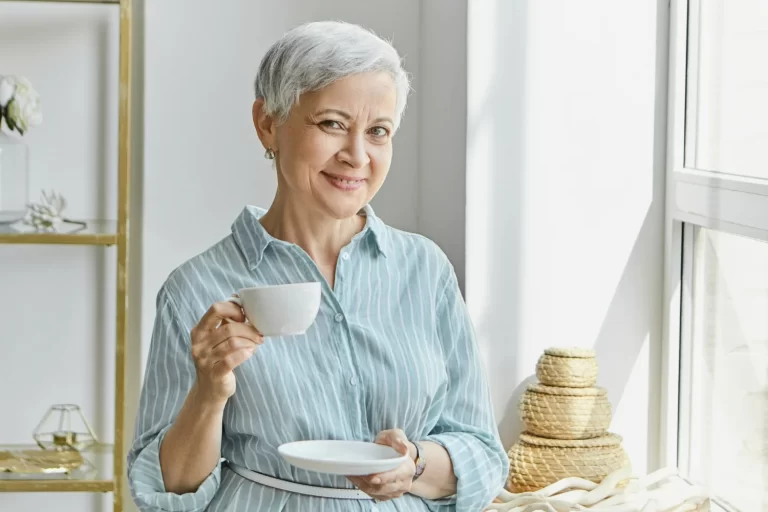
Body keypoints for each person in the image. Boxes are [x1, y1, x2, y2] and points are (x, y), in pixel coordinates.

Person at [127, 20, 508, 512]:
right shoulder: (196, 288)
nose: (357, 156)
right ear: (268, 123)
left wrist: (411, 463)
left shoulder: (425, 270)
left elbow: (481, 451)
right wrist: (209, 391)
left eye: (378, 132)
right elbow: (167, 493)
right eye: (332, 123)